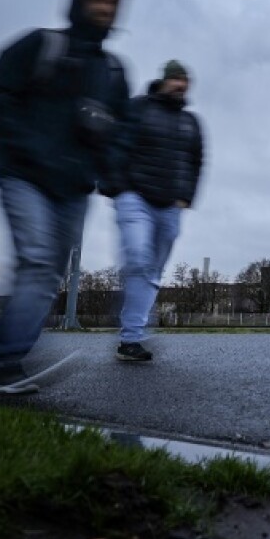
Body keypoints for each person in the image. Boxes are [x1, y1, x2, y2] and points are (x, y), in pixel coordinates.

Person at [0, 0, 130, 393]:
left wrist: (111, 174)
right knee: (36, 261)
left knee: (49, 275)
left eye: (112, 3)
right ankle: (4, 363)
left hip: (71, 188)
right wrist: (25, 147)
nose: (105, 8)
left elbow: (120, 133)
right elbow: (0, 96)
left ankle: (8, 344)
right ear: (80, 2)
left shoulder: (113, 71)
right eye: (98, 0)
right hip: (24, 175)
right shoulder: (41, 45)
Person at [104, 60, 204, 362]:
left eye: (185, 81)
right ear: (164, 80)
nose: (181, 85)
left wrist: (185, 197)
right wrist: (118, 186)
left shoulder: (190, 122)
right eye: (176, 79)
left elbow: (197, 162)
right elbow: (115, 145)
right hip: (135, 197)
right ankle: (130, 332)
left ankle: (131, 335)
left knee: (151, 272)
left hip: (171, 206)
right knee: (138, 257)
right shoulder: (138, 108)